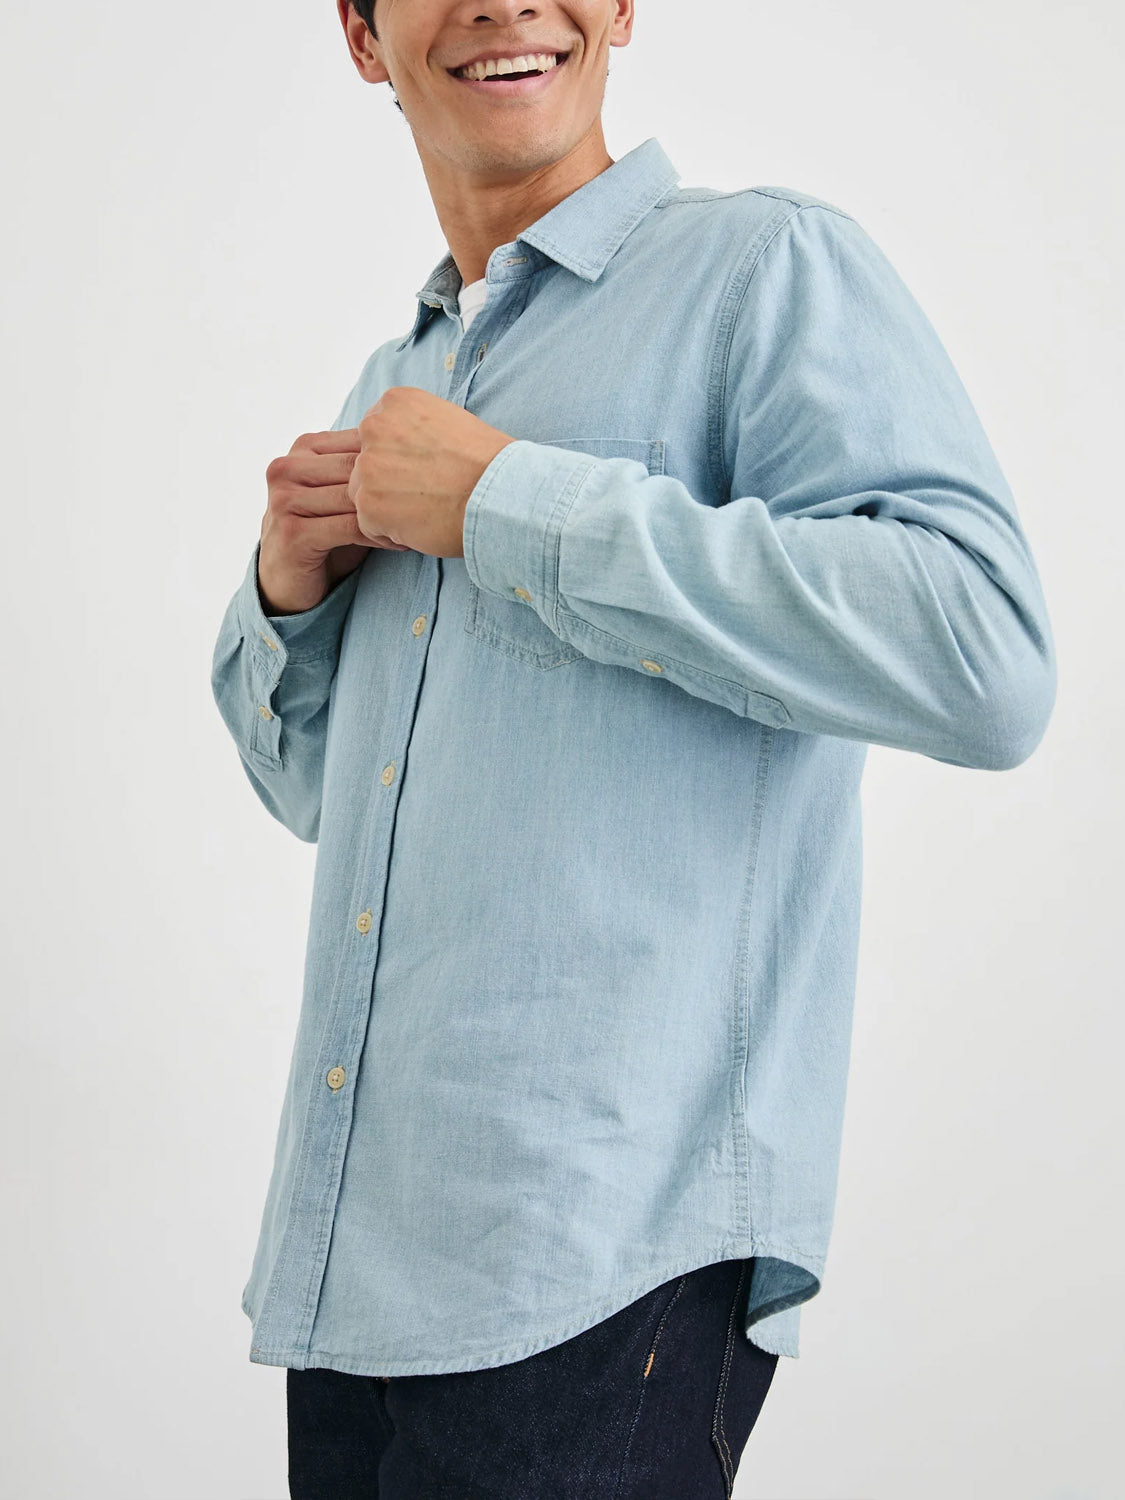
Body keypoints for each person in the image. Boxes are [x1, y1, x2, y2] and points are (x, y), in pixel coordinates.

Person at [209, 1, 1057, 1495]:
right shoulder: (394, 380)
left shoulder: (759, 271)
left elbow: (983, 659)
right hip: (357, 1269)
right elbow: (314, 804)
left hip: (602, 1252)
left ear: (617, 8)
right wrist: (288, 591)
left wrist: (511, 506)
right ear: (359, 31)